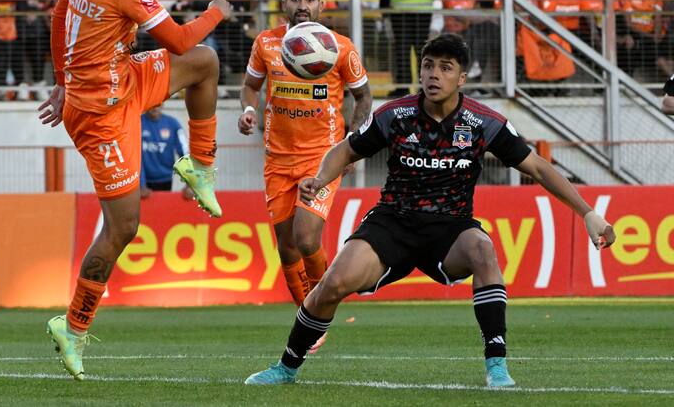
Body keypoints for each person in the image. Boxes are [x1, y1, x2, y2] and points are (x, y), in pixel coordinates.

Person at [243, 33, 616, 388]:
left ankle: (497, 365)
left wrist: (587, 212)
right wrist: (321, 177)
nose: (434, 74)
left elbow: (537, 167)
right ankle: (286, 367)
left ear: (462, 77)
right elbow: (346, 149)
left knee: (483, 250)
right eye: (428, 65)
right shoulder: (395, 115)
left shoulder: (483, 122)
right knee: (333, 284)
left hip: (450, 228)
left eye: (446, 67)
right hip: (392, 223)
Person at [40, 0, 233, 381]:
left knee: (206, 65)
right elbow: (180, 40)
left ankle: (200, 166)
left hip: (122, 78)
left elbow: (59, 15)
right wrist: (215, 12)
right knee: (124, 227)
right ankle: (74, 326)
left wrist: (62, 78)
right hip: (101, 115)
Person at [238, 0, 371, 309]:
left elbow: (364, 96)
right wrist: (249, 110)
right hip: (277, 159)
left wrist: (351, 147)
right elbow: (250, 87)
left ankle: (322, 306)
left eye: (309, 0)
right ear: (284, 4)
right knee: (287, 247)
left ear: (321, 5)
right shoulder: (266, 43)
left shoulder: (340, 47)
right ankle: (306, 316)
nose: (302, 6)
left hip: (322, 158)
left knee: (306, 237)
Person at [140, 104, 187, 197]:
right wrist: (140, 184)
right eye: (152, 104)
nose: (155, 107)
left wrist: (191, 184)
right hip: (140, 183)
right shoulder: (136, 123)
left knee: (162, 209)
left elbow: (185, 154)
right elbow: (130, 156)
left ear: (163, 104)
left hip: (165, 179)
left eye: (158, 104)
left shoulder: (173, 124)